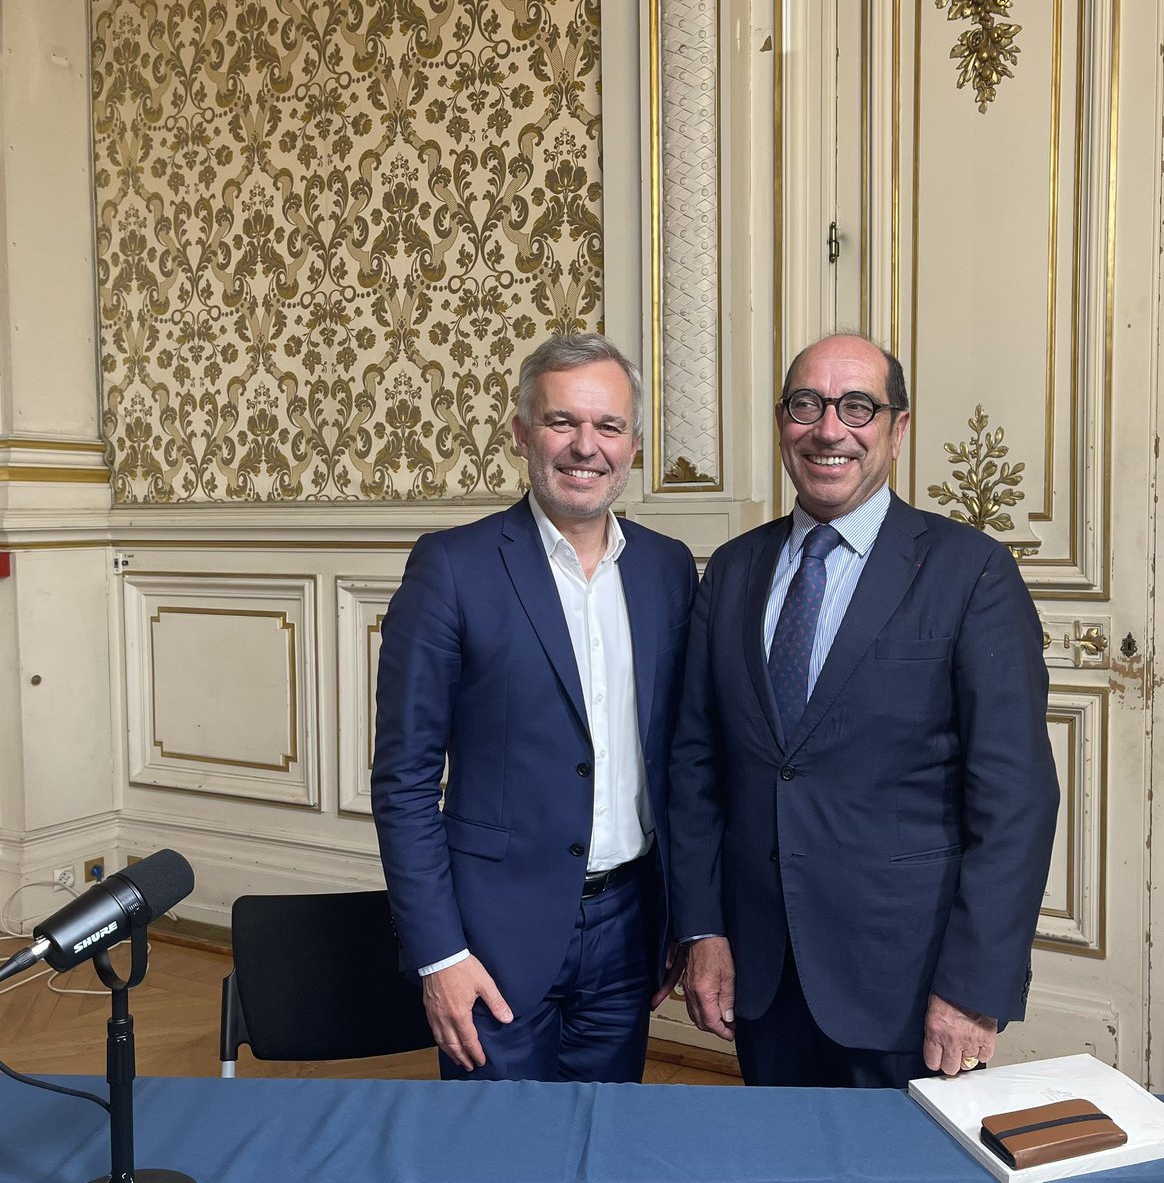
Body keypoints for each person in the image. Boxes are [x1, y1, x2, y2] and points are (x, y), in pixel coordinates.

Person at [668, 332, 1059, 1088]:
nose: (829, 430)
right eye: (806, 405)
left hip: (908, 984)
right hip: (763, 973)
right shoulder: (733, 571)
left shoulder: (971, 572)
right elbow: (695, 767)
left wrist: (973, 989)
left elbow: (1016, 800)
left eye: (857, 407)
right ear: (782, 421)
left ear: (897, 427)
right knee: (778, 1150)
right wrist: (704, 929)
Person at [372, 332, 698, 1082]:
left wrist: (679, 920)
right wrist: (440, 954)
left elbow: (682, 759)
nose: (586, 446)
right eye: (562, 422)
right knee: (498, 1141)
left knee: (603, 1134)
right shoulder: (451, 568)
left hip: (631, 929)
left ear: (634, 446)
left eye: (609, 426)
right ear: (523, 434)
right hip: (491, 936)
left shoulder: (667, 569)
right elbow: (404, 780)